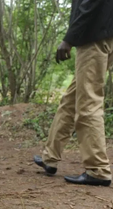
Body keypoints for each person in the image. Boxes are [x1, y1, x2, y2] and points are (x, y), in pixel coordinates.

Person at [34, 0, 113, 187]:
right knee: (70, 99)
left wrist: (69, 39)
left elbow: (90, 4)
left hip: (93, 37)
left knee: (88, 103)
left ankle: (98, 169)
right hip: (104, 33)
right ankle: (50, 157)